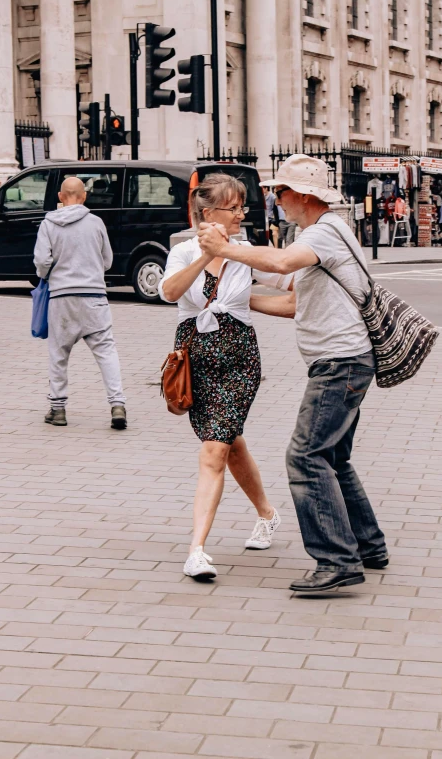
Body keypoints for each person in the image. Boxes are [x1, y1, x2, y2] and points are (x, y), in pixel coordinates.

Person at [197, 155, 388, 594]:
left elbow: (282, 265)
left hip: (340, 364)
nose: (275, 200)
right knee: (333, 456)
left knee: (304, 457)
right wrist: (233, 300)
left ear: (302, 194)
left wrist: (224, 249)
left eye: (279, 192)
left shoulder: (324, 233)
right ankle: (368, 546)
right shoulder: (320, 236)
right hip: (346, 361)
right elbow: (292, 298)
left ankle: (336, 561)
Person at [159, 173, 290, 580]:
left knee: (214, 450)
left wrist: (247, 290)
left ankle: (196, 550)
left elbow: (293, 281)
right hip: (195, 359)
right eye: (232, 207)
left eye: (241, 206)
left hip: (238, 360)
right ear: (207, 212)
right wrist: (205, 254)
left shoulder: (247, 251)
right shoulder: (182, 252)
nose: (240, 213)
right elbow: (169, 292)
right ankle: (267, 514)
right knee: (230, 445)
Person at [33, 177, 127, 430]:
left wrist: (49, 274)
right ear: (84, 197)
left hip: (61, 298)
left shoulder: (48, 224)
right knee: (106, 352)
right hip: (94, 296)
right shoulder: (96, 223)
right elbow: (107, 261)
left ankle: (58, 409)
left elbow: (42, 261)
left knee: (58, 354)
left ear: (61, 197)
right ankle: (117, 405)